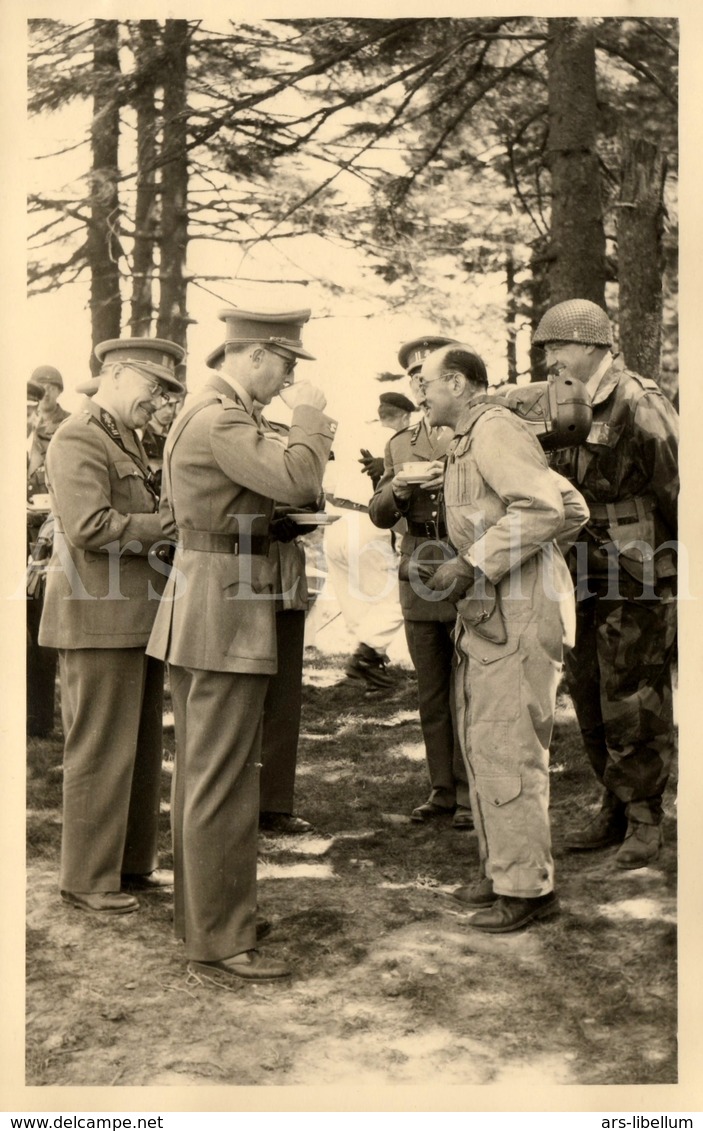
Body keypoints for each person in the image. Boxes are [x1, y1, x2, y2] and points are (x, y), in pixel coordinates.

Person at [147, 307, 336, 984]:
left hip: (208, 599)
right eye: (287, 364)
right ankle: (219, 941)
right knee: (222, 779)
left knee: (209, 773)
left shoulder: (209, 412)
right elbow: (298, 478)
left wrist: (265, 521)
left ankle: (210, 919)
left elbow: (230, 502)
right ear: (255, 354)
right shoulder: (222, 416)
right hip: (224, 606)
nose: (289, 379)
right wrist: (312, 419)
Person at [417, 343, 588, 932]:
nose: (421, 391)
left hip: (516, 609)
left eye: (428, 381)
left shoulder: (493, 430)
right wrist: (494, 562)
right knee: (488, 741)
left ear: (460, 384)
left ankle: (528, 890)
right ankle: (502, 873)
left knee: (509, 744)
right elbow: (570, 506)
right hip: (499, 606)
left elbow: (544, 508)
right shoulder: (470, 435)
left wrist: (477, 564)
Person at [38, 337, 185, 914]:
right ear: (120, 376)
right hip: (97, 616)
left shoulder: (122, 435)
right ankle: (87, 879)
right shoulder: (79, 435)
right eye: (155, 388)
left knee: (140, 748)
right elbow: (89, 526)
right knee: (100, 748)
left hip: (130, 617)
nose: (160, 402)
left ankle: (127, 864)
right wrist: (164, 527)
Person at [532, 298, 679, 868]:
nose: (549, 359)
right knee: (587, 688)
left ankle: (645, 819)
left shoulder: (639, 400)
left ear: (592, 346)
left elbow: (678, 486)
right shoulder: (564, 401)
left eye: (557, 346)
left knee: (634, 694)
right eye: (545, 348)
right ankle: (613, 806)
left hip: (636, 565)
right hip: (578, 563)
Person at [204, 340, 317, 837]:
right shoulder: (222, 424)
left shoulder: (274, 431)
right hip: (239, 574)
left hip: (281, 573)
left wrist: (292, 520)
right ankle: (239, 802)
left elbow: (306, 484)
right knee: (239, 695)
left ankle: (275, 801)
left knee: (283, 693)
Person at [369, 335, 472, 829]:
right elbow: (378, 514)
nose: (418, 383)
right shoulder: (398, 444)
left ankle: (475, 792)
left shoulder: (470, 431)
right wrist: (398, 487)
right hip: (417, 565)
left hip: (467, 562)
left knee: (472, 686)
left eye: (423, 374)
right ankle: (442, 790)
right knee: (431, 688)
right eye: (411, 376)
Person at [323, 395, 406, 691]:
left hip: (335, 522)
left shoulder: (349, 435)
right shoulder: (397, 440)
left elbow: (327, 485)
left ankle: (366, 669)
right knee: (396, 599)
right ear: (404, 417)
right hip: (365, 523)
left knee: (357, 601)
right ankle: (364, 659)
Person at [27, 365, 70, 498]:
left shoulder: (70, 424)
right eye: (41, 388)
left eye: (51, 388)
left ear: (59, 391)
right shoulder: (24, 424)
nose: (46, 393)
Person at [140, 388, 186, 491]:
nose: (169, 411)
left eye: (172, 405)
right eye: (164, 405)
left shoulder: (177, 433)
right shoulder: (142, 436)